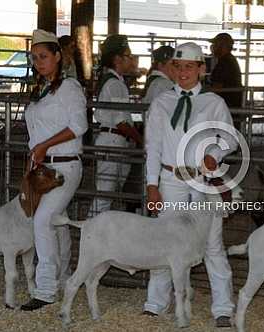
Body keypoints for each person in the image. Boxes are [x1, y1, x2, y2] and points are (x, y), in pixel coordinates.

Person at [143, 42, 236, 328]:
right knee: (166, 239)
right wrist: (151, 183)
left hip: (202, 179)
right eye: (178, 66)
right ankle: (156, 303)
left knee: (211, 243)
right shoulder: (161, 102)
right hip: (171, 178)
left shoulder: (214, 103)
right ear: (172, 69)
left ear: (201, 69)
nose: (183, 72)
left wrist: (214, 153)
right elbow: (153, 146)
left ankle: (223, 307)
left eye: (189, 67)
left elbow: (230, 138)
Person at [20, 29, 88, 311]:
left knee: (43, 220)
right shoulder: (42, 90)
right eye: (35, 58)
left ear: (58, 57)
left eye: (44, 57)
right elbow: (36, 132)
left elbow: (79, 126)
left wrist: (45, 146)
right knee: (55, 221)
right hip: (42, 167)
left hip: (65, 166)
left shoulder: (69, 88)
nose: (39, 62)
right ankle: (61, 278)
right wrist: (35, 154)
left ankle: (46, 290)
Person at [88, 34, 143, 216]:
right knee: (105, 192)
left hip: (111, 139)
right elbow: (121, 122)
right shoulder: (115, 84)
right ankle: (91, 229)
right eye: (128, 56)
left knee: (108, 190)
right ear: (117, 59)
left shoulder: (113, 81)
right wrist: (141, 140)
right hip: (113, 140)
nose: (132, 59)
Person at [209, 32, 243, 108]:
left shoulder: (224, 63)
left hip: (226, 104)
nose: (213, 47)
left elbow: (217, 87)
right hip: (232, 103)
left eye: (215, 44)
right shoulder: (229, 59)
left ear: (222, 46)